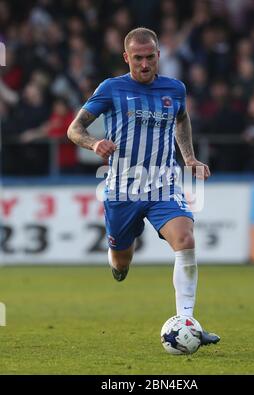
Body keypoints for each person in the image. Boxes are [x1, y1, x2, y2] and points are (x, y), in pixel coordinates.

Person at [67, 27, 220, 346]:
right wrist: (95, 143)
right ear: (127, 58)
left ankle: (187, 321)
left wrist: (189, 157)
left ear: (158, 56)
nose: (145, 64)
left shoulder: (175, 88)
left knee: (186, 239)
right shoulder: (111, 88)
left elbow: (181, 119)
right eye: (138, 58)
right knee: (122, 259)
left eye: (150, 57)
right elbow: (74, 129)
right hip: (122, 189)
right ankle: (117, 259)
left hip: (163, 185)